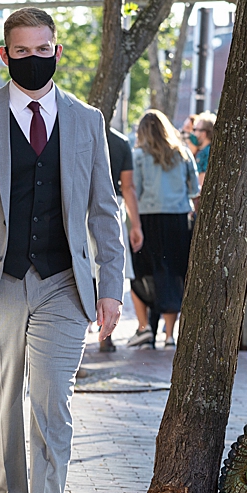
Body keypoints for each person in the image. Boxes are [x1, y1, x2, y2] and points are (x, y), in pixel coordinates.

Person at [0, 7, 125, 493]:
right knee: (1, 396)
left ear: (57, 52)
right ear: (5, 55)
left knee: (51, 399)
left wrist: (112, 288)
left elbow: (105, 210)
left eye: (43, 50)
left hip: (63, 282)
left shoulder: (87, 121)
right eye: (22, 51)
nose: (34, 60)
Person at [128, 109, 200, 349]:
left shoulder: (137, 156)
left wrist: (133, 225)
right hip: (178, 219)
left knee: (142, 271)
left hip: (147, 219)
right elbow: (193, 189)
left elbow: (133, 191)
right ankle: (169, 336)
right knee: (173, 273)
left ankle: (144, 327)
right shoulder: (183, 153)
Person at [101, 126, 144, 352]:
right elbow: (128, 187)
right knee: (112, 270)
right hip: (112, 206)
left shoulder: (77, 131)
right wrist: (135, 225)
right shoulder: (120, 142)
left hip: (81, 206)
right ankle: (106, 334)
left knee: (85, 274)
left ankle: (90, 331)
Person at [192, 110, 216, 189]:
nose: (193, 133)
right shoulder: (208, 150)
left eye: (195, 130)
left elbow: (201, 182)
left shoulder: (205, 153)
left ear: (203, 133)